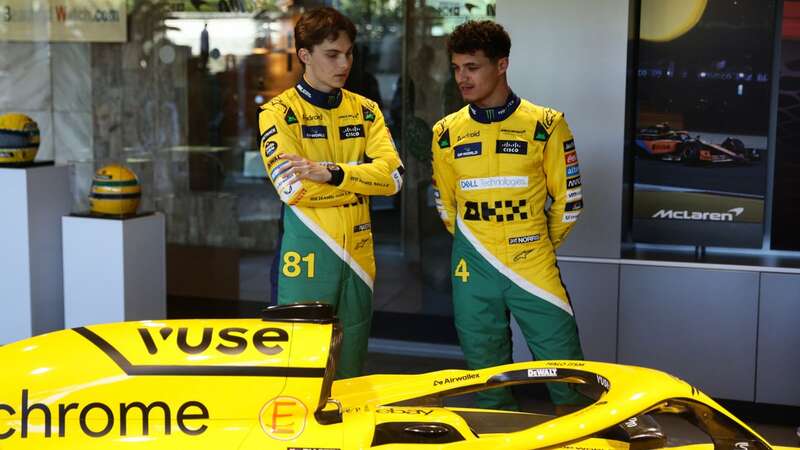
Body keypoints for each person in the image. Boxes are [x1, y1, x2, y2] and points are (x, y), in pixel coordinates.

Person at [431, 20, 585, 411]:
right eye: (456, 68)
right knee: (485, 375)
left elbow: (570, 200)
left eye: (472, 67)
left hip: (531, 261)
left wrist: (536, 243)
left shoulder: (546, 124)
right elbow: (446, 205)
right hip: (473, 264)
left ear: (502, 65)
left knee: (565, 369)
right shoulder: (446, 132)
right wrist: (476, 242)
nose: (462, 78)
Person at [258, 7, 404, 379]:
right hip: (306, 254)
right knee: (300, 370)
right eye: (332, 54)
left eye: (349, 53)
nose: (344, 64)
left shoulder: (367, 111)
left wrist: (332, 173)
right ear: (305, 56)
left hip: (358, 255)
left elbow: (394, 179)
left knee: (350, 368)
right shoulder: (277, 112)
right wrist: (358, 186)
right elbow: (293, 189)